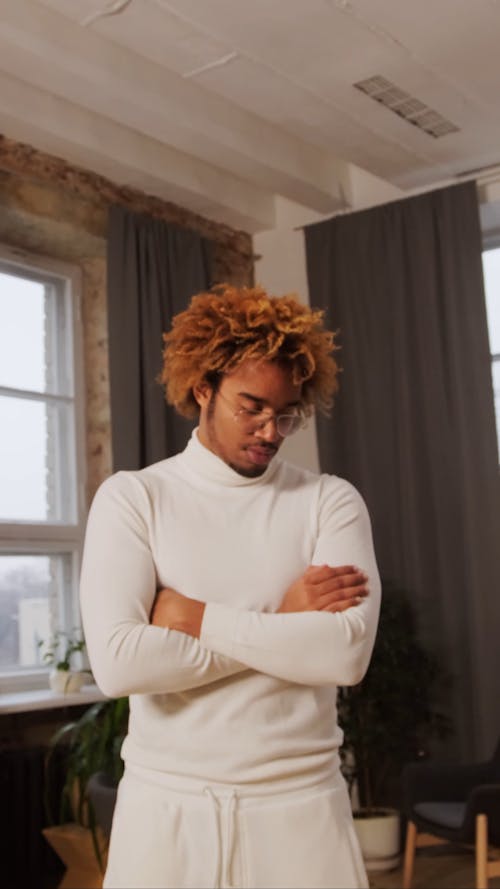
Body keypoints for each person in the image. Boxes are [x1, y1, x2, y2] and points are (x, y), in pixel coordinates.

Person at [80, 283, 381, 889]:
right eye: (252, 407)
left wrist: (193, 617)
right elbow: (119, 665)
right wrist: (287, 617)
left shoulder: (330, 501)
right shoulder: (135, 498)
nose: (271, 431)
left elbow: (343, 655)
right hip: (165, 813)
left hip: (301, 809)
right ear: (202, 389)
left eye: (288, 412)